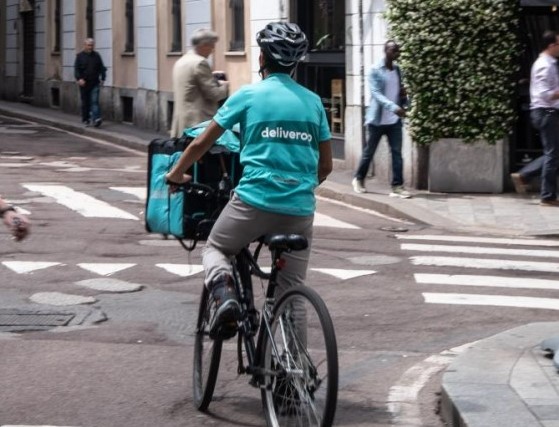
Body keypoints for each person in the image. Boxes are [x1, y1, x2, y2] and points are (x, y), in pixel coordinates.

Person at [165, 22, 333, 339]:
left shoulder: (248, 96)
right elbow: (325, 166)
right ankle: (291, 376)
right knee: (291, 290)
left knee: (215, 247)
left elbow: (201, 143)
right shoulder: (313, 103)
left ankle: (227, 298)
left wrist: (175, 173)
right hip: (298, 209)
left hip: (254, 202)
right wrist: (300, 187)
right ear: (296, 64)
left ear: (260, 59)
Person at [352, 40, 411, 198]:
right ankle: (358, 179)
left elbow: (401, 92)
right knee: (369, 152)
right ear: (385, 51)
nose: (395, 53)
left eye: (397, 51)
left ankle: (397, 186)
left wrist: (406, 102)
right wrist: (394, 107)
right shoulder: (375, 70)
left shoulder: (398, 70)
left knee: (397, 153)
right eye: (393, 50)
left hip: (394, 122)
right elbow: (377, 95)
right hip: (377, 121)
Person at [170, 29, 229, 138]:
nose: (212, 50)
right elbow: (214, 94)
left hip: (181, 123)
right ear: (204, 45)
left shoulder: (181, 61)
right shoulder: (200, 63)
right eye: (212, 46)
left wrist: (213, 78)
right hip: (197, 124)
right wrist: (225, 85)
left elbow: (192, 86)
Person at [525, 30, 559, 206]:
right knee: (553, 154)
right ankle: (547, 195)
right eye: (558, 44)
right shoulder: (544, 66)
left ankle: (526, 174)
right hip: (546, 113)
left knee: (553, 152)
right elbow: (544, 94)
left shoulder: (549, 63)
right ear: (551, 45)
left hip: (549, 112)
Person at [74, 38, 106, 128]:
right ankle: (86, 119)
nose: (90, 47)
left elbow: (102, 68)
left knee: (94, 101)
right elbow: (76, 70)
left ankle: (96, 119)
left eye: (92, 45)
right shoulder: (79, 56)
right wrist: (79, 79)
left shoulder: (97, 56)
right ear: (84, 45)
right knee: (85, 102)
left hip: (95, 82)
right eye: (88, 45)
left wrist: (103, 78)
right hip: (84, 83)